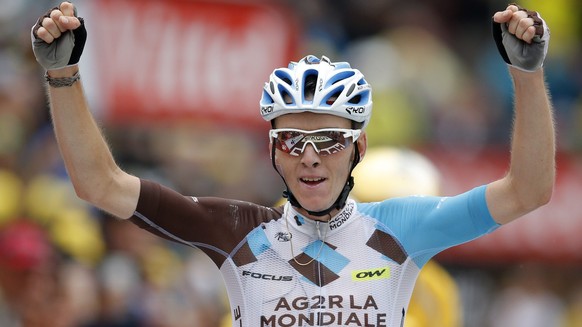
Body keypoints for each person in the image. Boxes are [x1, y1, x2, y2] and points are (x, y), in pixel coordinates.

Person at [31, 2, 555, 326]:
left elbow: (527, 191)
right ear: (272, 151)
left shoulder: (401, 229)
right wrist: (63, 77)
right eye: (291, 140)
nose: (309, 155)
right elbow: (100, 184)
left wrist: (527, 78)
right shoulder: (234, 231)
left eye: (328, 139)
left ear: (359, 150)